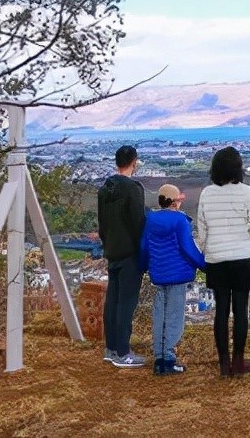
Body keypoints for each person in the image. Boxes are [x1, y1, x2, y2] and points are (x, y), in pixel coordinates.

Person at [194, 146, 250, 377]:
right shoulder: (247, 192)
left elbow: (202, 231)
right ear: (238, 168)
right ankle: (238, 362)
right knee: (241, 310)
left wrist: (206, 250)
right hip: (243, 257)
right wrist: (246, 233)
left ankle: (223, 364)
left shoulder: (206, 193)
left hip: (217, 258)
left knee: (221, 310)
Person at [139, 183, 205, 375]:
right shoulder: (180, 221)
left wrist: (144, 267)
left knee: (160, 315)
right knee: (175, 316)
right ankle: (169, 358)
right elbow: (187, 248)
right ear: (174, 203)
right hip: (178, 274)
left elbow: (144, 247)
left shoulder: (149, 220)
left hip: (158, 274)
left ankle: (159, 357)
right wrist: (203, 265)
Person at [97, 145, 147, 368]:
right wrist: (143, 251)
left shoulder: (105, 188)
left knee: (113, 301)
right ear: (134, 162)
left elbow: (102, 224)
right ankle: (123, 352)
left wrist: (107, 244)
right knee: (127, 302)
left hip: (112, 250)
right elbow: (138, 223)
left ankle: (111, 348)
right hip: (129, 252)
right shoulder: (133, 188)